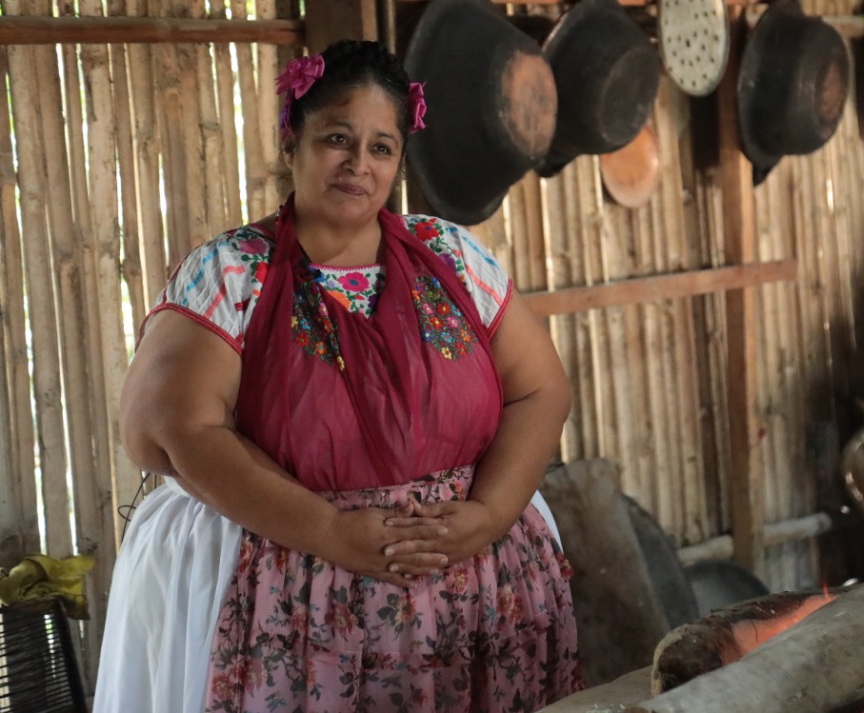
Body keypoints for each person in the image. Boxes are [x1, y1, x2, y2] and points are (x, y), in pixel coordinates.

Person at [94, 40, 582, 712]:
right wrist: (330, 531)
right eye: (336, 138)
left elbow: (541, 389)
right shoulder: (236, 272)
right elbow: (170, 428)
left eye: (381, 147)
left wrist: (488, 515)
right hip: (298, 599)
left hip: (478, 593)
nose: (359, 164)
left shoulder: (451, 256)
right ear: (291, 141)